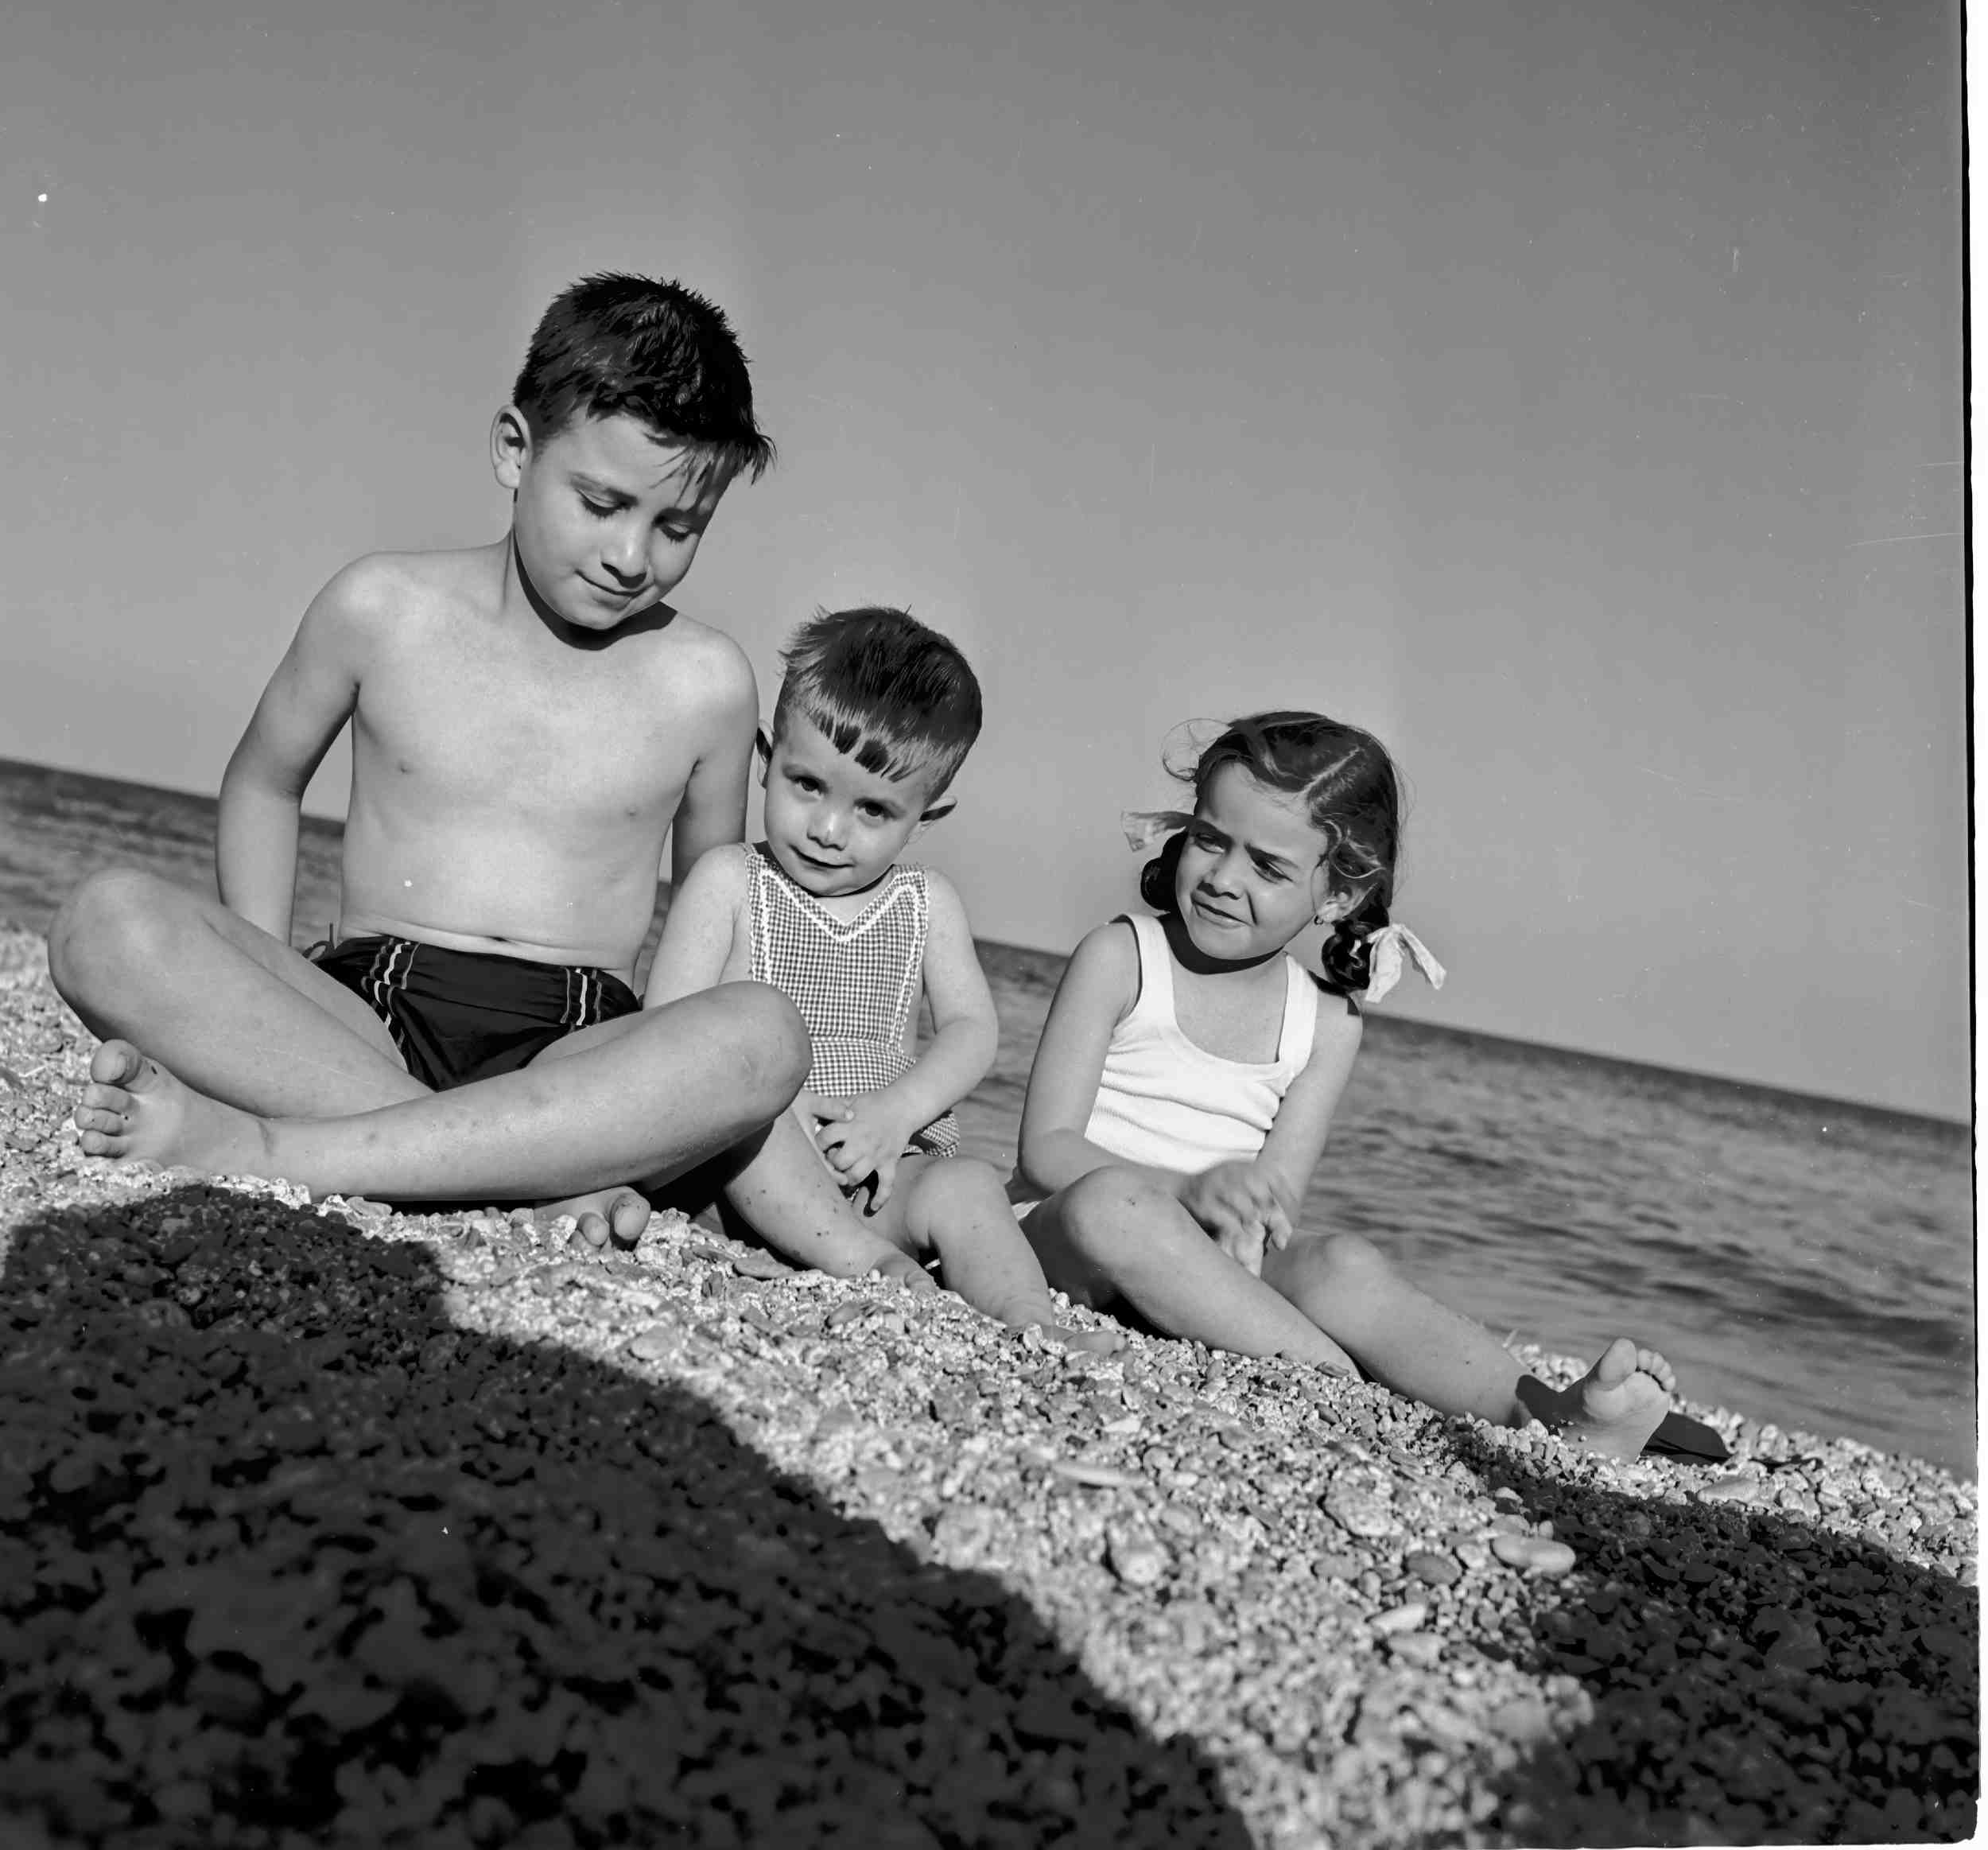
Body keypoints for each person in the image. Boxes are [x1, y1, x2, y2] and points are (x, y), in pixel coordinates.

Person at [47, 274, 911, 1277]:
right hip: (363, 1015)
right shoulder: (380, 606)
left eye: (678, 528)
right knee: (104, 920)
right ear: (513, 448)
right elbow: (264, 784)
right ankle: (523, 1174)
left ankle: (283, 1146)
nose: (631, 555)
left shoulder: (706, 683)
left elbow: (713, 911)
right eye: (601, 503)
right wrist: (262, 977)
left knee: (764, 1034)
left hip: (574, 1046)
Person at [1013, 710, 1677, 1457]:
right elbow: (1047, 1149)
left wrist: (1241, 1224)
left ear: (1336, 898)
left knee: (1344, 1263)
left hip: (1212, 1270)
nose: (1224, 879)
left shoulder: (1328, 1022)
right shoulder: (1120, 956)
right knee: (1115, 1205)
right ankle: (1332, 1378)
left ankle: (1547, 1417)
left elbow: (1275, 1207)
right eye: (1209, 840)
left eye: (1268, 868)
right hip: (1072, 1240)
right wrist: (1185, 1190)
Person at [645, 606, 1116, 1347]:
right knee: (748, 1114)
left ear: (924, 818)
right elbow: (666, 1031)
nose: (829, 830)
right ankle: (865, 1266)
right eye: (807, 784)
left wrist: (897, 1115)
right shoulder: (728, 882)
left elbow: (971, 1031)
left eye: (873, 809)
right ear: (766, 758)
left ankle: (1030, 1324)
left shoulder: (926, 904)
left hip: (879, 1172)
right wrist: (776, 1103)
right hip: (742, 1169)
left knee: (967, 1186)